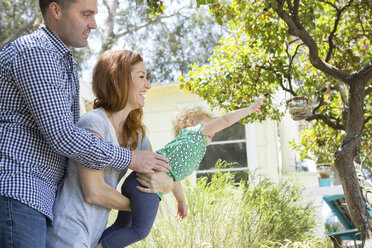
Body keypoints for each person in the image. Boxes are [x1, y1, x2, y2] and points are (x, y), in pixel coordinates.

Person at [0, 1, 172, 247]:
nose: (93, 24)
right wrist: (131, 159)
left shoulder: (63, 61)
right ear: (56, 10)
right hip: (18, 189)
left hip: (38, 199)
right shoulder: (35, 53)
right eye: (86, 14)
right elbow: (62, 136)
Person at [92, 98, 266, 248]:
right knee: (140, 230)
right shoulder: (197, 133)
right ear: (191, 122)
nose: (212, 133)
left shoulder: (182, 144)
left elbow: (173, 177)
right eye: (208, 125)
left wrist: (181, 201)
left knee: (122, 225)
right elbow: (226, 120)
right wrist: (249, 109)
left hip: (136, 180)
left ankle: (91, 243)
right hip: (148, 185)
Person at [47, 49, 167, 247]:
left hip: (94, 231)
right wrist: (140, 210)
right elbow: (94, 192)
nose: (148, 85)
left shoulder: (134, 135)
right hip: (69, 229)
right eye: (141, 76)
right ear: (119, 80)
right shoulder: (94, 122)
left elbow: (159, 175)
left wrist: (167, 184)